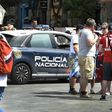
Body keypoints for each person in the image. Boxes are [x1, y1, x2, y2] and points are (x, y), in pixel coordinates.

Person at [78, 18, 99, 98]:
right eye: (94, 26)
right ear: (92, 26)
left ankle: (82, 91)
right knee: (86, 76)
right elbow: (89, 43)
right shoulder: (88, 32)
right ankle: (83, 92)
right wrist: (96, 38)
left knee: (83, 76)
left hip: (82, 55)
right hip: (87, 56)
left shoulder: (82, 31)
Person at [68, 24, 83, 95]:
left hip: (72, 56)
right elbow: (75, 47)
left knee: (72, 73)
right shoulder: (76, 37)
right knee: (74, 73)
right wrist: (79, 55)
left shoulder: (75, 37)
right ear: (79, 30)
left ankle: (71, 88)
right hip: (74, 56)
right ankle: (72, 89)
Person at [99, 22, 112, 100]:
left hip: (106, 60)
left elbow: (100, 50)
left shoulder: (103, 38)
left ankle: (103, 96)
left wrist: (105, 51)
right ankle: (108, 91)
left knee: (105, 78)